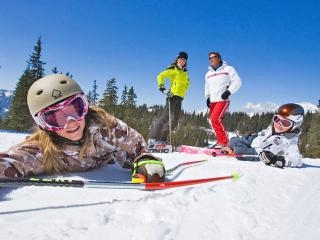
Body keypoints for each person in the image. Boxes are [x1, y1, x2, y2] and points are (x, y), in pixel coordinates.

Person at [0, 74, 165, 182]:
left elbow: (136, 147)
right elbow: (11, 162)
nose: (71, 122)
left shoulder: (106, 127)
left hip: (108, 162)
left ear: (85, 107)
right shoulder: (41, 149)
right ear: (44, 126)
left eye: (75, 110)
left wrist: (144, 161)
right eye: (56, 118)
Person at [229, 103, 305, 168]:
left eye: (285, 123)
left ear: (295, 125)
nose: (278, 124)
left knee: (238, 152)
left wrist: (275, 160)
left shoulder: (290, 140)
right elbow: (264, 133)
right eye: (277, 119)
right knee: (232, 140)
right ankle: (235, 145)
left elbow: (297, 161)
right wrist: (253, 136)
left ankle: (236, 147)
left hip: (261, 153)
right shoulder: (273, 128)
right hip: (255, 141)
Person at [148, 51, 190, 145]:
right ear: (177, 60)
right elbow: (160, 76)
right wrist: (162, 88)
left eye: (184, 60)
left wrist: (183, 92)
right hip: (172, 96)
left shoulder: (185, 73)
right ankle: (153, 139)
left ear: (185, 62)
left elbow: (187, 83)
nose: (182, 61)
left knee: (174, 122)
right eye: (180, 59)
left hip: (180, 98)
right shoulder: (173, 69)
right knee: (165, 118)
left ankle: (162, 139)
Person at [205, 51, 241, 149]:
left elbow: (237, 81)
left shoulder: (228, 69)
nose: (211, 59)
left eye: (214, 57)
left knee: (215, 119)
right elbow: (207, 87)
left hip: (222, 99)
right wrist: (207, 97)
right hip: (213, 101)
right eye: (210, 58)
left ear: (219, 58)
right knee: (213, 121)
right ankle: (220, 141)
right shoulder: (208, 73)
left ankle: (224, 143)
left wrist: (229, 92)